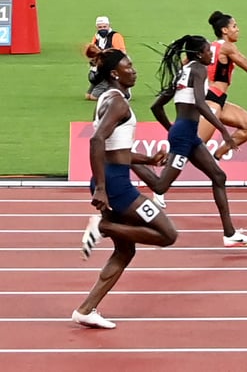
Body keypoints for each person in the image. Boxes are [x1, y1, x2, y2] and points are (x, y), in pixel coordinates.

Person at [74, 47, 177, 329]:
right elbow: (96, 141)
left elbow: (114, 150)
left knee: (124, 252)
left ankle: (86, 309)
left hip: (110, 178)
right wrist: (103, 190)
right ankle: (103, 228)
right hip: (116, 185)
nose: (134, 70)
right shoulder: (118, 103)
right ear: (114, 73)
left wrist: (148, 159)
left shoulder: (106, 98)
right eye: (128, 66)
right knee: (168, 234)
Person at [130, 34, 247, 247]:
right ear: (199, 54)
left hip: (187, 134)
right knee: (160, 186)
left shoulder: (183, 72)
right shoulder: (198, 69)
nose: (211, 55)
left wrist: (171, 129)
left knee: (218, 176)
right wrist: (222, 131)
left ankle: (229, 233)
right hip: (185, 136)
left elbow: (156, 106)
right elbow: (200, 102)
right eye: (208, 51)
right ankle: (127, 160)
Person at [197, 11, 247, 161]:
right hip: (211, 101)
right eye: (234, 26)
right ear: (224, 30)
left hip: (216, 99)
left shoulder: (210, 46)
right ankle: (159, 168)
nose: (237, 29)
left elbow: (186, 61)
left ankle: (218, 154)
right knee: (194, 148)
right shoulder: (228, 47)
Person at [86, 16, 127, 100]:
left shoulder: (115, 36)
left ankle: (118, 92)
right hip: (100, 69)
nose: (102, 29)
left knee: (94, 97)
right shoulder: (96, 37)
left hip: (110, 70)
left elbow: (122, 53)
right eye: (100, 27)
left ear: (109, 26)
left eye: (104, 27)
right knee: (88, 96)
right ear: (96, 27)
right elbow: (92, 51)